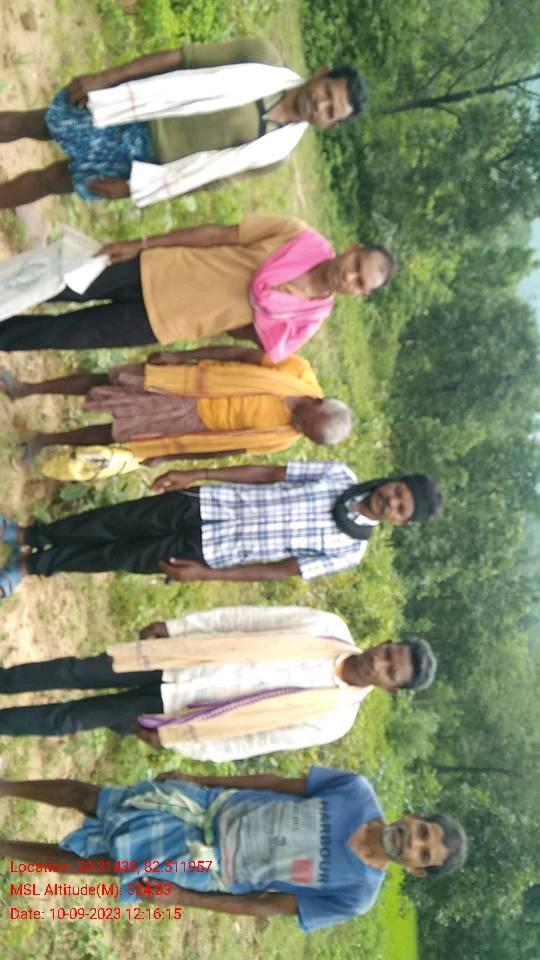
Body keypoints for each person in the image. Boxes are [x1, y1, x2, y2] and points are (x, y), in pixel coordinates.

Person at [0, 770, 467, 928]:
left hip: (207, 865)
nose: (415, 842)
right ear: (414, 817)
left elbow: (264, 905)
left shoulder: (357, 894)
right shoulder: (356, 791)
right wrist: (200, 780)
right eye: (423, 831)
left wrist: (183, 897)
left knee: (99, 865)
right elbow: (276, 783)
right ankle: (6, 786)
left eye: (423, 853)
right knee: (93, 797)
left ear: (416, 869)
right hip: (206, 807)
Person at [0, 605, 436, 751]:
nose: (379, 662)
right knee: (75, 670)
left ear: (391, 687)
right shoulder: (327, 628)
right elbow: (245, 619)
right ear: (385, 642)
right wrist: (177, 627)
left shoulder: (334, 719)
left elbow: (251, 742)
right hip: (176, 658)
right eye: (388, 653)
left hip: (182, 708)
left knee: (73, 719)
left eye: (390, 670)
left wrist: (180, 741)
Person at [0, 37, 366, 209]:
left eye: (330, 111)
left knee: (54, 181)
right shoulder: (262, 58)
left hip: (144, 161)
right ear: (322, 73)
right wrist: (107, 77)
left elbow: (208, 180)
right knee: (38, 124)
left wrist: (135, 189)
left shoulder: (276, 152)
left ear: (330, 125)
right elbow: (180, 59)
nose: (320, 104)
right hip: (133, 108)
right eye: (327, 91)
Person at [0, 463, 443, 599]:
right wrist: (195, 474)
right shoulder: (339, 475)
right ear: (393, 481)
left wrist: (204, 574)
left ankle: (33, 565)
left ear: (400, 522)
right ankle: (27, 536)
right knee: (113, 521)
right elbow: (269, 473)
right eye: (398, 491)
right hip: (204, 503)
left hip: (211, 551)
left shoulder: (350, 550)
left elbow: (277, 570)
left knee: (117, 557)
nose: (392, 501)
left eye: (401, 509)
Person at [0, 216, 394, 355]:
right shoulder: (296, 234)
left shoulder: (306, 321)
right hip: (153, 268)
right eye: (356, 265)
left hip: (162, 323)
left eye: (360, 282)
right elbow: (217, 234)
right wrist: (142, 244)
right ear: (352, 249)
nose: (350, 276)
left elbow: (247, 336)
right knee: (56, 282)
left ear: (360, 294)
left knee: (57, 334)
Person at [0, 347, 352, 463]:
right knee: (107, 382)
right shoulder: (297, 371)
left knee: (115, 433)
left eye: (305, 433)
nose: (297, 426)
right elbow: (239, 354)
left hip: (191, 424)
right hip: (186, 382)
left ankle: (45, 441)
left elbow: (226, 449)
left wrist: (169, 456)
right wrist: (181, 356)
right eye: (305, 420)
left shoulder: (283, 438)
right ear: (317, 401)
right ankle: (27, 388)